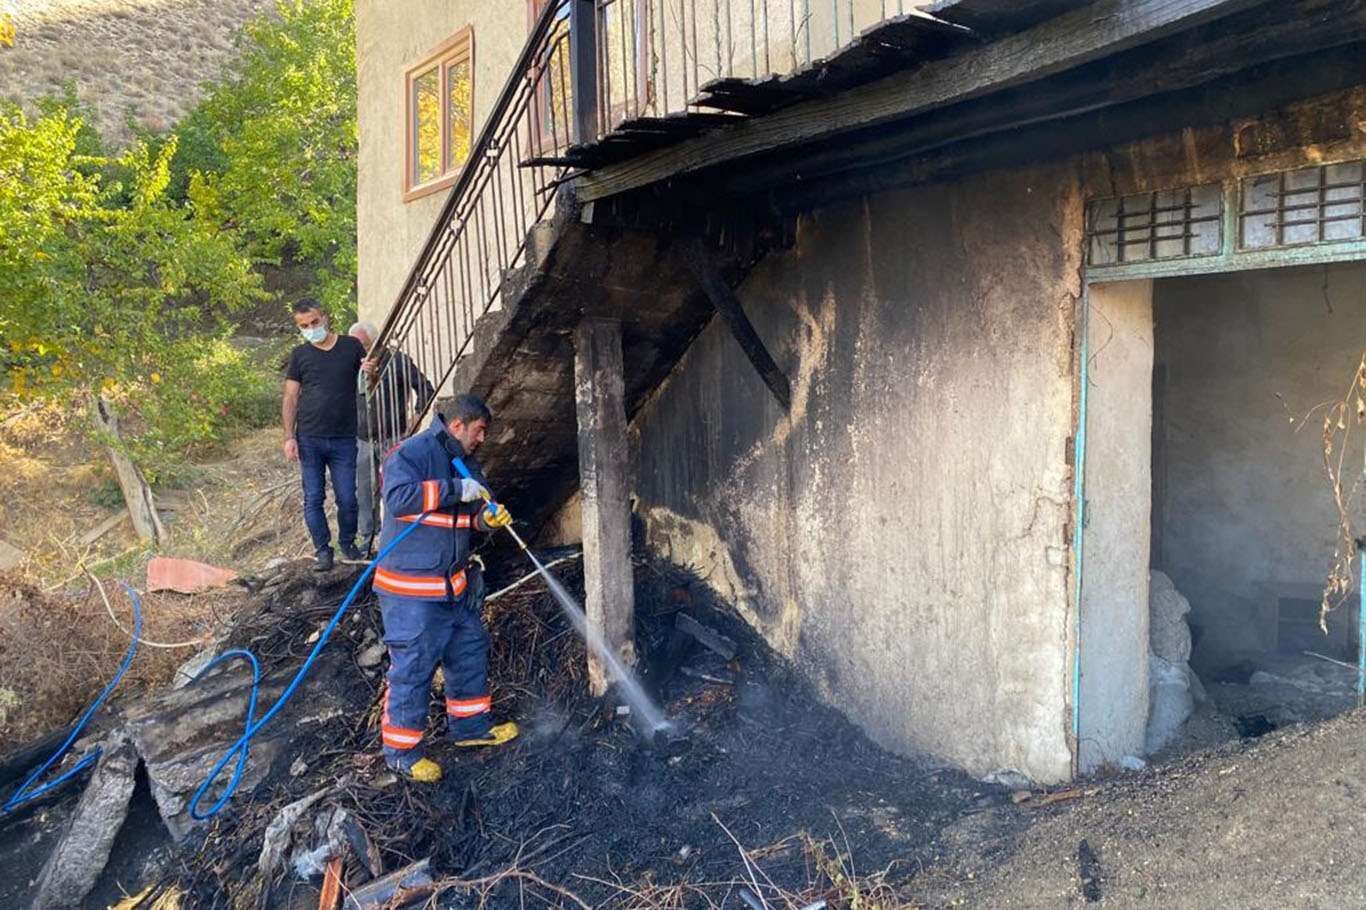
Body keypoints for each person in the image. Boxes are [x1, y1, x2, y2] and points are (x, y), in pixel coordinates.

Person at [375, 394, 519, 782]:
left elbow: (474, 514)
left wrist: (488, 518)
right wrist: (455, 490)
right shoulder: (410, 453)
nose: (482, 439)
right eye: (479, 431)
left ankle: (471, 728)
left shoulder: (467, 462)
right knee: (414, 666)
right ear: (457, 425)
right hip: (411, 590)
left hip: (453, 586)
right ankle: (402, 753)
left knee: (469, 649)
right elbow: (399, 498)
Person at [282, 299, 370, 572]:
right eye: (304, 326)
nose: (311, 329)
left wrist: (371, 371)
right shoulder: (300, 355)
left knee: (347, 497)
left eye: (314, 322)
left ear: (325, 317)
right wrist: (289, 436)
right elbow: (290, 396)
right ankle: (323, 550)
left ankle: (348, 543)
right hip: (309, 437)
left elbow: (368, 380)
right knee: (313, 498)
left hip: (344, 437)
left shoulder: (351, 346)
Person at [348, 321, 434, 555]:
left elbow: (425, 388)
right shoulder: (351, 364)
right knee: (364, 492)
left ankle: (396, 538)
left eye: (363, 345)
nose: (359, 350)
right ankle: (367, 542)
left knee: (396, 489)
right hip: (362, 439)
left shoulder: (397, 361)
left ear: (377, 343)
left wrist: (415, 420)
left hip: (392, 436)